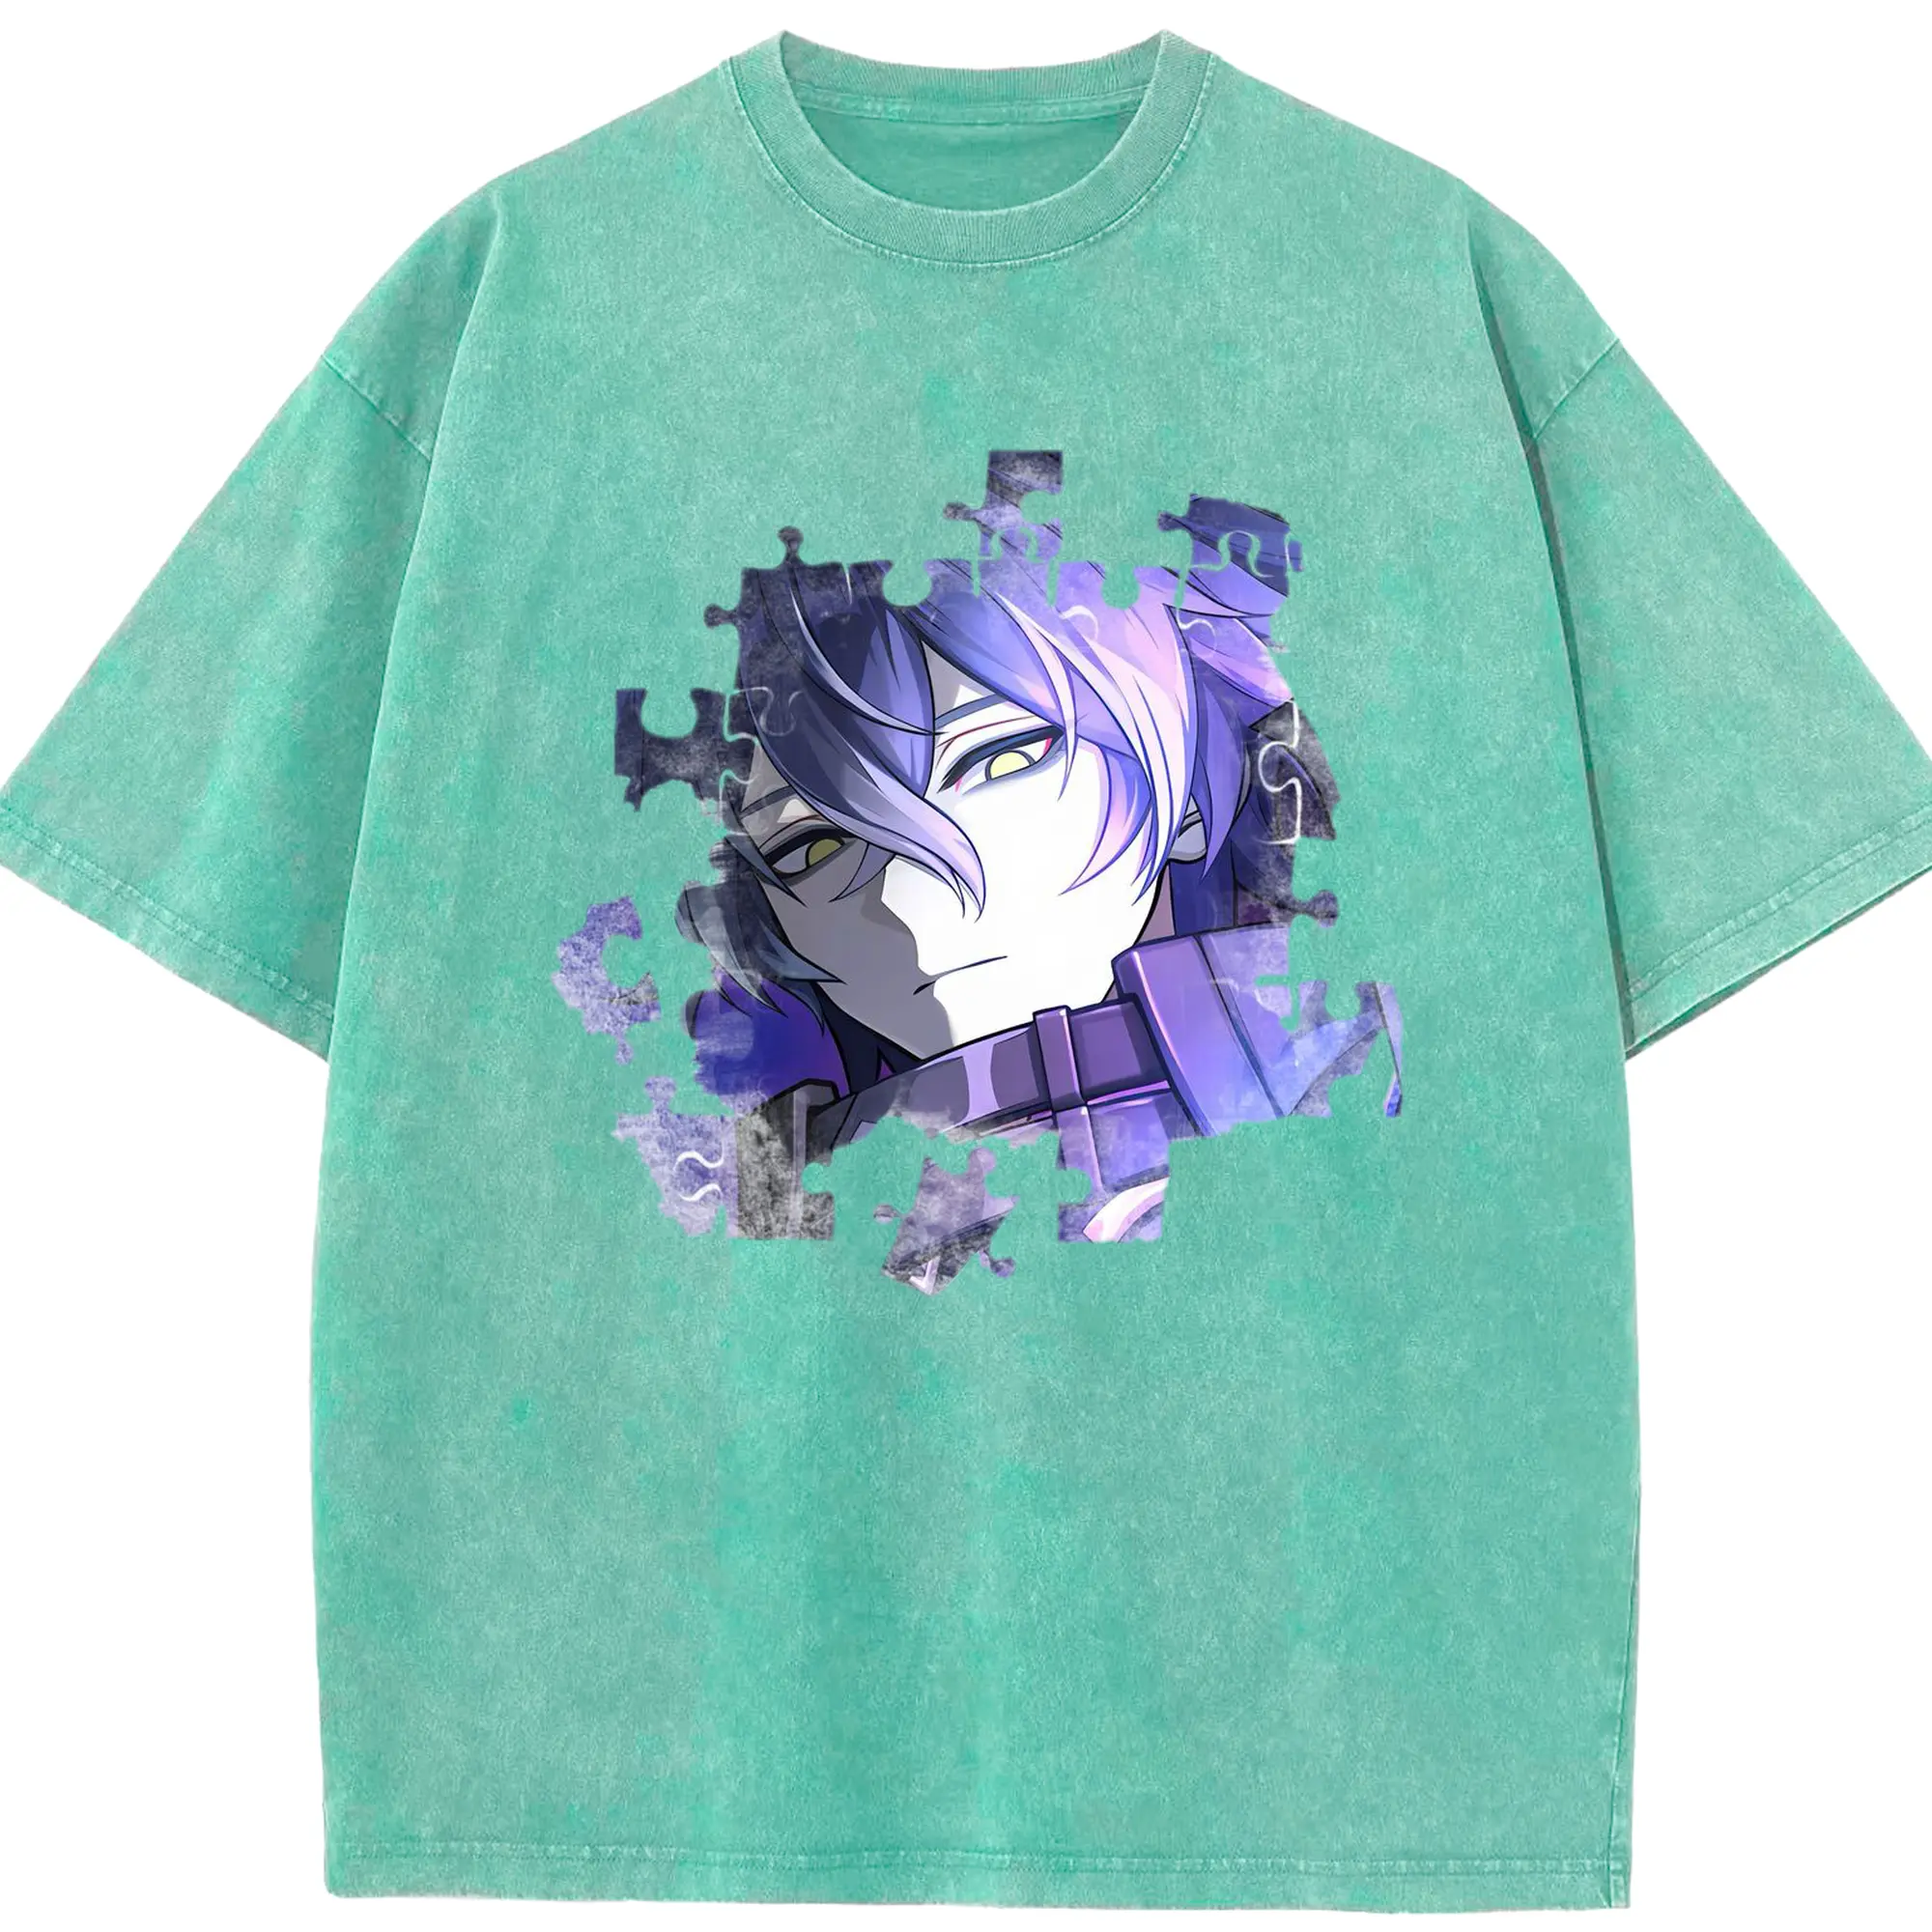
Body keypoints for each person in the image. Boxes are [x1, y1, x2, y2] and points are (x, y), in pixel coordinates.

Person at [611, 452, 1402, 1283]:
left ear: (1187, 795)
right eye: (813, 846)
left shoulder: (1328, 1065)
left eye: (999, 759)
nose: (910, 894)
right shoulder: (774, 1187)